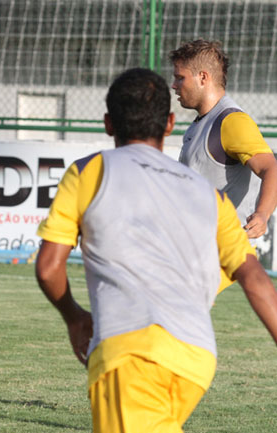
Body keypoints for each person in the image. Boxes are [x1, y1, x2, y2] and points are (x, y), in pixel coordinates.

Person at [35, 68, 277, 432]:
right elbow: (256, 280)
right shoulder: (207, 194)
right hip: (196, 359)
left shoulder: (88, 172)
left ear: (107, 124)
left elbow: (48, 267)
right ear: (168, 124)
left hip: (132, 353)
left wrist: (74, 317)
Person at [170, 39, 277, 240]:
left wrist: (262, 215)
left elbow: (271, 168)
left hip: (226, 257)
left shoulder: (232, 121)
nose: (174, 85)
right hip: (201, 250)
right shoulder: (202, 122)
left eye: (180, 78)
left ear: (203, 77)